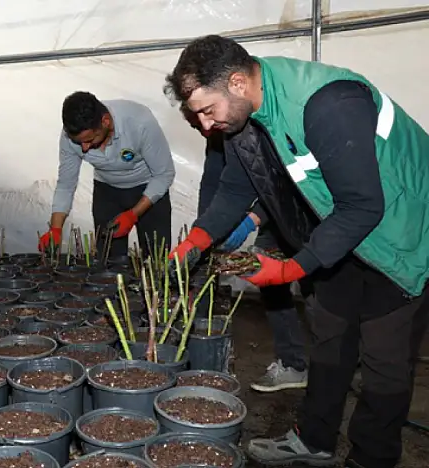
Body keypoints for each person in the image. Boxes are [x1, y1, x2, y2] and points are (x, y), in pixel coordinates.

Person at [165, 35, 429, 468]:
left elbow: (364, 206)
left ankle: (371, 458)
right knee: (329, 338)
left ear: (236, 81)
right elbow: (236, 186)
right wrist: (198, 238)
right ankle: (315, 440)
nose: (206, 126)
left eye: (207, 111)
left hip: (402, 236)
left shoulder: (329, 104)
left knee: (385, 360)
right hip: (339, 233)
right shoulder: (243, 117)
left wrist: (292, 268)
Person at [185, 106, 308, 391]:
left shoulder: (259, 126)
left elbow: (286, 183)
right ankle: (293, 364)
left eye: (207, 122)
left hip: (305, 212)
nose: (205, 129)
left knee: (318, 294)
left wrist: (250, 221)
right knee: (271, 281)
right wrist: (204, 232)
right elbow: (214, 184)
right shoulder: (216, 135)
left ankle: (340, 359)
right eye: (198, 126)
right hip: (272, 219)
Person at [39, 91, 174, 258]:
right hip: (107, 191)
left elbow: (164, 174)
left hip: (148, 189)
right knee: (109, 260)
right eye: (79, 142)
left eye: (90, 140)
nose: (84, 148)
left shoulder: (139, 122)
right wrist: (56, 228)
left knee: (156, 257)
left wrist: (133, 214)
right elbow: (66, 184)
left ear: (106, 122)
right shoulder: (71, 136)